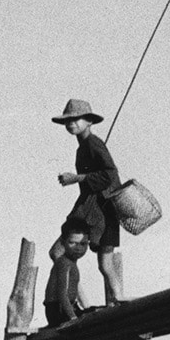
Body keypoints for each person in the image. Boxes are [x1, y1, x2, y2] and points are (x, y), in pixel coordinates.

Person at [51, 99, 126, 303]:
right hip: (96, 210)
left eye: (76, 119)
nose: (71, 123)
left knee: (59, 252)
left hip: (96, 210)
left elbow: (110, 175)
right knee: (104, 264)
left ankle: (77, 300)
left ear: (89, 122)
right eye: (68, 120)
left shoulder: (93, 143)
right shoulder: (83, 147)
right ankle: (83, 301)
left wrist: (76, 178)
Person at [44, 222, 92, 326]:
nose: (78, 248)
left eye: (83, 244)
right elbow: (62, 294)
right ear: (63, 242)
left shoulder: (71, 262)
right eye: (72, 243)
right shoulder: (64, 263)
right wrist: (73, 317)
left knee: (94, 313)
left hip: (67, 307)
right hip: (58, 310)